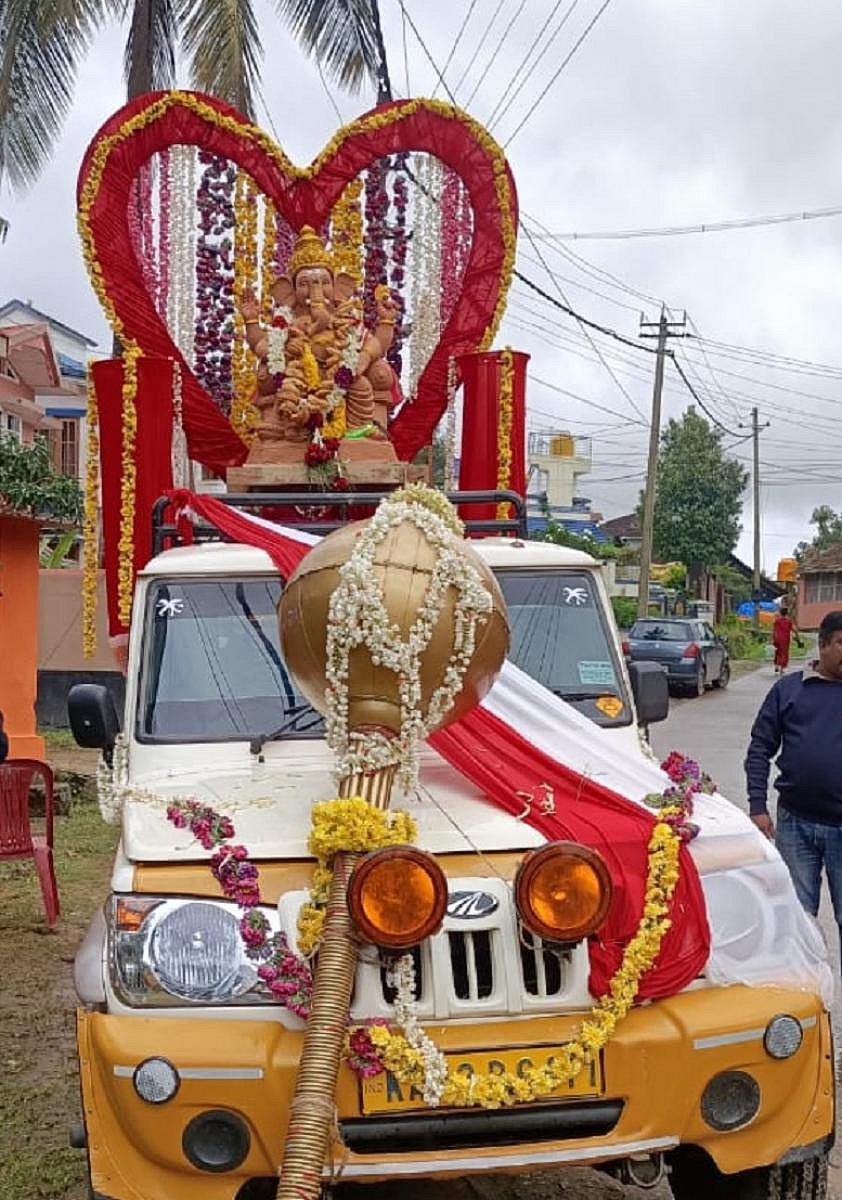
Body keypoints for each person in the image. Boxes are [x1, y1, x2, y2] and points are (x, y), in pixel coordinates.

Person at [745, 610, 842, 961]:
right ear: (824, 644)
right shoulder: (789, 690)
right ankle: (806, 1002)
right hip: (795, 824)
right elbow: (760, 747)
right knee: (797, 920)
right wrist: (757, 806)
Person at [771, 604, 797, 674]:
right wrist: (797, 635)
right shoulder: (788, 621)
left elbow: (774, 630)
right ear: (787, 613)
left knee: (777, 652)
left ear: (780, 612)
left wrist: (771, 638)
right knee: (784, 653)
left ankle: (776, 666)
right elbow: (793, 629)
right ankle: (782, 668)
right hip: (785, 639)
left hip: (777, 638)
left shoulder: (777, 621)